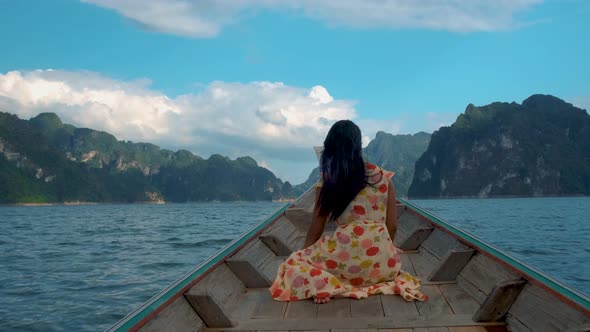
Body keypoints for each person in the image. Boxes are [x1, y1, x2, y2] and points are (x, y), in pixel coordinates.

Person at [269, 120, 427, 303]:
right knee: (364, 260)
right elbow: (392, 225)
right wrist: (388, 248)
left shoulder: (329, 180)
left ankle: (323, 284)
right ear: (358, 147)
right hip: (384, 266)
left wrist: (304, 255)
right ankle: (337, 280)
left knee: (290, 266)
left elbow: (317, 226)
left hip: (345, 256)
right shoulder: (384, 178)